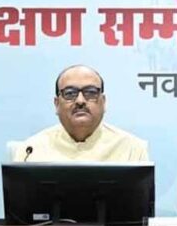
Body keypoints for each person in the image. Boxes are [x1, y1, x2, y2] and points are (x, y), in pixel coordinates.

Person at [15, 65, 149, 162]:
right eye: (70, 93)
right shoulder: (30, 151)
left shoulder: (132, 149)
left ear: (103, 102)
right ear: (56, 104)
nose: (80, 101)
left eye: (90, 92)